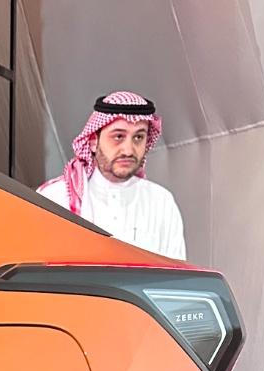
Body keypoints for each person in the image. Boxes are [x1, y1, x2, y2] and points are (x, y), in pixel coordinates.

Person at [38, 90, 186, 260]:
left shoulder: (162, 202)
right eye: (118, 136)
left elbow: (176, 272)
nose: (128, 150)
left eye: (138, 137)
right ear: (93, 141)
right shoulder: (54, 198)